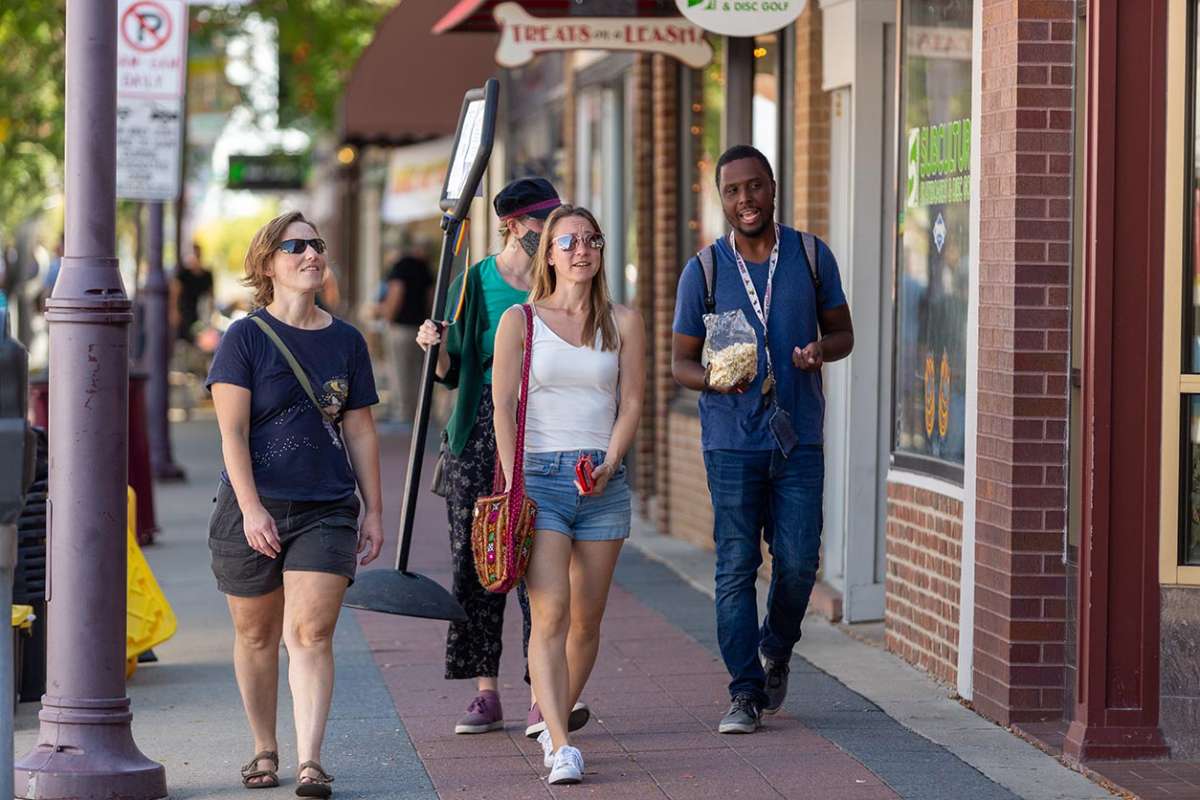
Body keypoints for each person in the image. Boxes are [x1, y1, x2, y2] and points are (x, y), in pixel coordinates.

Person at [671, 145, 854, 734]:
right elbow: (680, 363)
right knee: (735, 566)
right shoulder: (704, 270)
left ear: (773, 187)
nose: (745, 199)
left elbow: (843, 332)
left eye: (754, 187)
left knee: (800, 563)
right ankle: (745, 692)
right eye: (732, 191)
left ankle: (776, 647)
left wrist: (820, 351)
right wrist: (718, 382)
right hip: (730, 441)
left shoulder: (810, 255)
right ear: (720, 199)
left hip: (798, 438)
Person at [206, 211, 384, 797]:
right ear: (267, 263)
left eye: (316, 245)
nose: (310, 254)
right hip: (252, 507)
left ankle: (311, 760)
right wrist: (253, 509)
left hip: (326, 506)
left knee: (309, 633)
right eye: (295, 246)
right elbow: (231, 434)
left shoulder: (347, 340)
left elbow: (359, 429)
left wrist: (373, 508)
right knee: (257, 635)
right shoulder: (245, 338)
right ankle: (264, 748)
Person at [417, 177, 588, 737]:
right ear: (514, 225)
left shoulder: (559, 280)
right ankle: (485, 690)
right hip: (480, 432)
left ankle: (542, 692)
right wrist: (433, 342)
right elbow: (447, 373)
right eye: (543, 224)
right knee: (479, 557)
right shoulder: (475, 282)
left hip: (545, 429)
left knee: (540, 565)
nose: (553, 235)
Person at [492, 204, 646, 785]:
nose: (582, 250)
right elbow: (503, 407)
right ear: (549, 255)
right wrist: (514, 483)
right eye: (568, 242)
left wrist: (610, 461)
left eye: (592, 240)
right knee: (550, 612)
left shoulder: (623, 322)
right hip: (541, 480)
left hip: (602, 479)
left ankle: (546, 709)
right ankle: (560, 744)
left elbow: (631, 403)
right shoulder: (521, 320)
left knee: (588, 620)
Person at [374, 250, 433, 426]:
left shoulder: (400, 267)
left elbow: (396, 293)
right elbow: (432, 297)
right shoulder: (424, 268)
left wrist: (387, 317)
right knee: (420, 372)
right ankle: (420, 412)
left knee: (399, 372)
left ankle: (403, 413)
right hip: (422, 327)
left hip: (400, 328)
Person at [172, 241, 214, 344]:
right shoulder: (183, 274)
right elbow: (175, 293)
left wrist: (212, 311)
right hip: (186, 311)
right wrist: (174, 311)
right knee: (185, 340)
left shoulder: (207, 274)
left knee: (201, 338)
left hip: (202, 313)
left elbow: (211, 294)